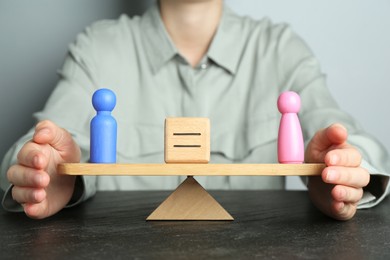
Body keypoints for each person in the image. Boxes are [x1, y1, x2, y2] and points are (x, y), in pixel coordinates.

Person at [1, 0, 389, 221]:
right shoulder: (97, 49)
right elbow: (45, 142)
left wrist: (341, 172)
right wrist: (45, 170)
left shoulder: (280, 49)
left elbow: (348, 139)